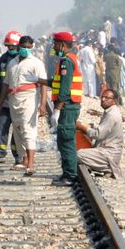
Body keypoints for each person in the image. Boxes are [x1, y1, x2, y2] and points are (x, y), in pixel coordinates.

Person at [0, 35, 48, 176]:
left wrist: (43, 104)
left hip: (29, 100)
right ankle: (24, 160)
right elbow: (6, 84)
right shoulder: (12, 63)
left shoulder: (36, 63)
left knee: (28, 130)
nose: (25, 50)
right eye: (23, 47)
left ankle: (31, 164)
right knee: (18, 130)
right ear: (19, 46)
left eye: (28, 48)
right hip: (14, 100)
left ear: (32, 48)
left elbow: (43, 84)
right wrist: (0, 103)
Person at [49, 31, 83, 185]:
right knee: (64, 138)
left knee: (66, 139)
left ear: (62, 45)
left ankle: (70, 175)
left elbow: (64, 88)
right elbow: (57, 82)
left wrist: (57, 110)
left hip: (68, 106)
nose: (54, 46)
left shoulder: (66, 61)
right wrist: (38, 80)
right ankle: (67, 173)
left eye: (56, 43)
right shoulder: (70, 59)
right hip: (70, 105)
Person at [77, 88, 125, 179]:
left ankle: (107, 167)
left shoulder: (111, 115)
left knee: (77, 155)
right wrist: (89, 126)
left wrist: (82, 127)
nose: (103, 99)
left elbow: (98, 135)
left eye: (107, 98)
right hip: (106, 151)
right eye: (102, 97)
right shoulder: (110, 111)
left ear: (115, 101)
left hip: (109, 154)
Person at [0, 30, 21, 163]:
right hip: (3, 100)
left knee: (19, 131)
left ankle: (18, 156)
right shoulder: (2, 60)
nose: (10, 48)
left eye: (13, 46)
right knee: (1, 127)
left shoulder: (23, 60)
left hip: (19, 101)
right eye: (8, 46)